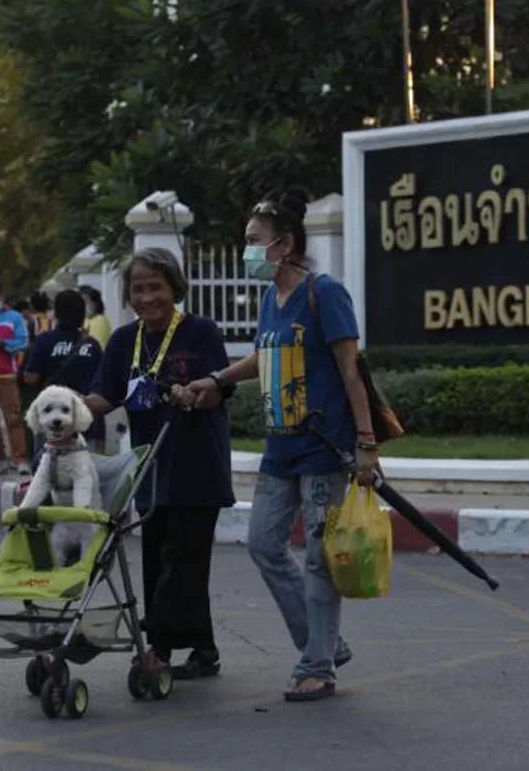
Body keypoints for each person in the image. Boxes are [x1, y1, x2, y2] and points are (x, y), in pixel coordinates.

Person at [174, 190, 375, 702]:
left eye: (253, 242)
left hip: (324, 447)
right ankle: (321, 643)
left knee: (318, 558)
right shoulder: (271, 299)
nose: (247, 252)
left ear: (284, 245)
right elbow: (264, 358)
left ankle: (317, 665)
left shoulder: (324, 294)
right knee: (264, 544)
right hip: (280, 446)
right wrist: (216, 379)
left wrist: (367, 445)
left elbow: (352, 370)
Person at [86, 249, 234, 681]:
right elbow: (104, 396)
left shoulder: (200, 333)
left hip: (196, 465)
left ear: (174, 288)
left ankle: (160, 649)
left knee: (182, 559)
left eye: (156, 287)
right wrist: (68, 409)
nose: (147, 297)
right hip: (149, 469)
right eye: (138, 288)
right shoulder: (122, 341)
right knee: (157, 557)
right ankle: (204, 650)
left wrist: (195, 392)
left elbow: (218, 388)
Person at [23, 289, 104, 460]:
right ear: (82, 313)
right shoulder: (92, 345)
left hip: (51, 422)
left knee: (46, 475)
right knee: (83, 475)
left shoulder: (45, 341)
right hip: (85, 422)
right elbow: (102, 383)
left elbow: (31, 378)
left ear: (57, 313)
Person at [0, 282, 31, 475]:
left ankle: (20, 459)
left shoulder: (14, 318)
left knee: (13, 418)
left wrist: (2, 344)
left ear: (1, 296)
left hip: (7, 374)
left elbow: (23, 342)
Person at [80, 285, 112, 349]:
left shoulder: (100, 321)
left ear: (95, 303)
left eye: (86, 301)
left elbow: (95, 347)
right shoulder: (85, 320)